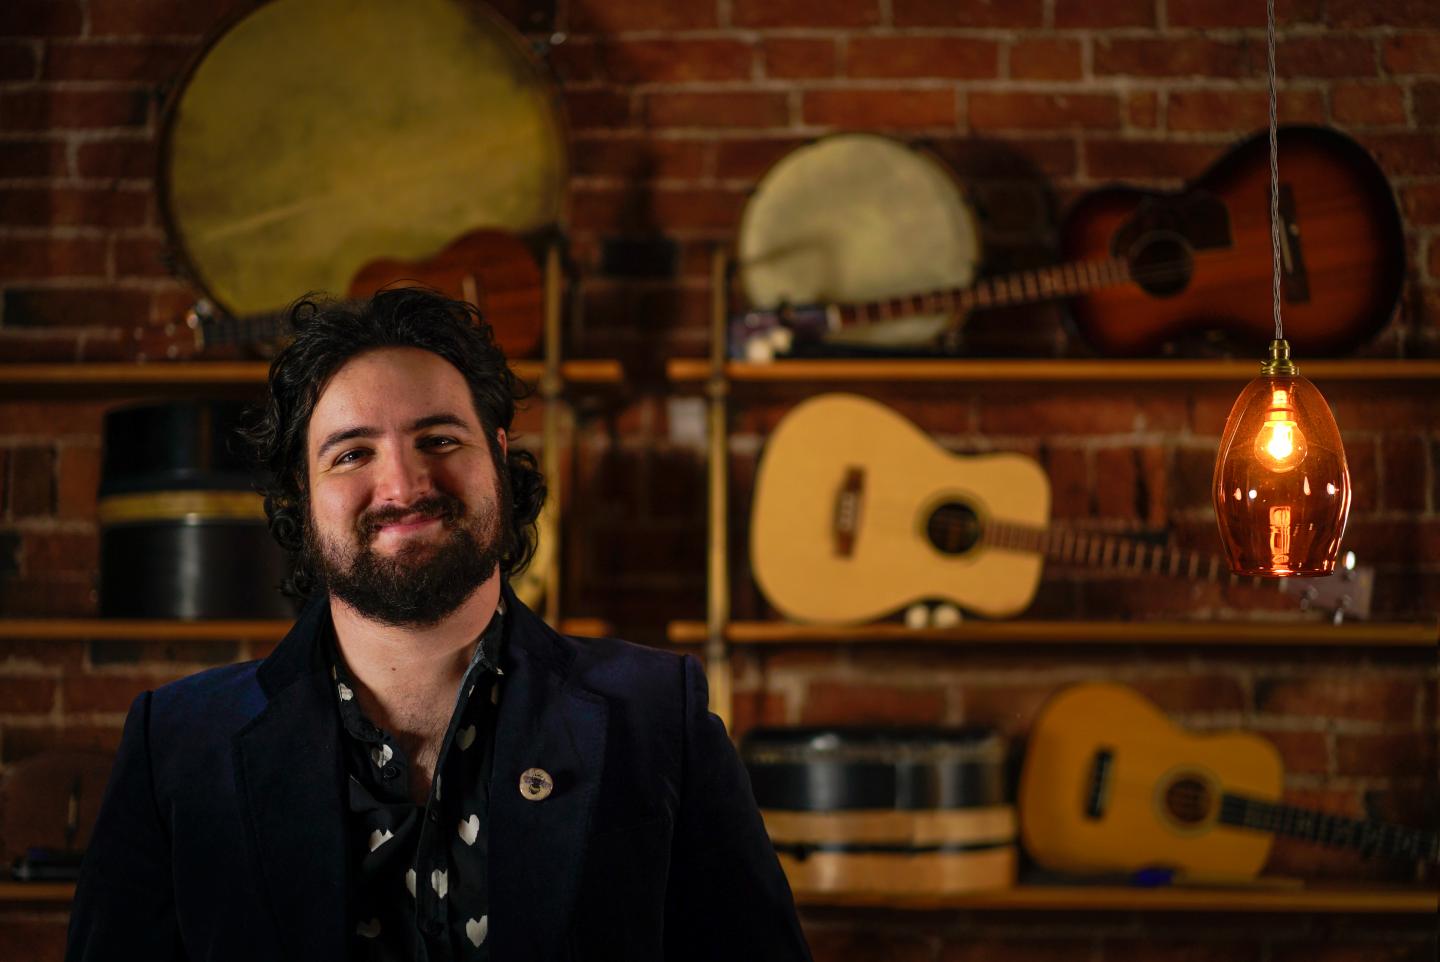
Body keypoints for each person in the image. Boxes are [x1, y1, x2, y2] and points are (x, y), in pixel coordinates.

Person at [67, 288, 812, 962]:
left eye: (440, 440)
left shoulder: (659, 717)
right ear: (302, 495)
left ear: (496, 457)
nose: (403, 484)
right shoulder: (176, 745)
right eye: (353, 452)